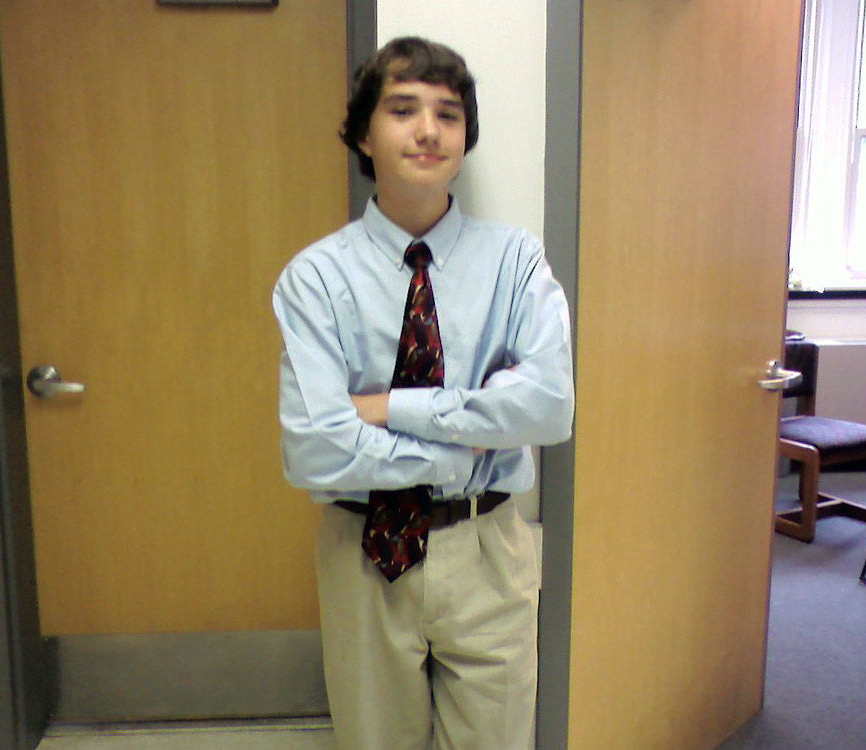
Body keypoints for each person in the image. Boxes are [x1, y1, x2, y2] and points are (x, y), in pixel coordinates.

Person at [272, 36, 574, 750]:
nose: (430, 129)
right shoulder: (315, 279)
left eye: (449, 113)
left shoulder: (515, 261)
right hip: (365, 548)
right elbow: (314, 451)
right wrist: (471, 436)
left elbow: (548, 408)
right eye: (403, 108)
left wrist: (386, 409)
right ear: (363, 135)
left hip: (488, 546)